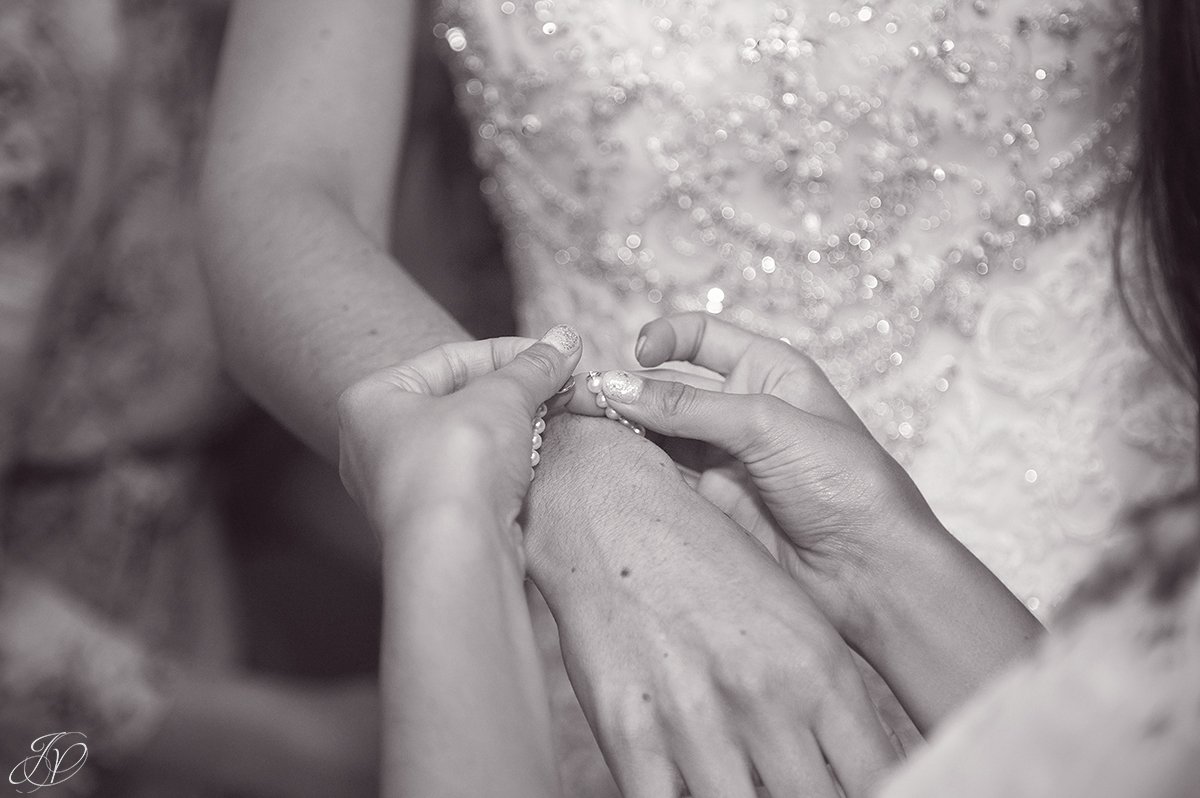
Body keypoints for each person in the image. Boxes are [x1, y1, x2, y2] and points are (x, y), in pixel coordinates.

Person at [199, 0, 1196, 792]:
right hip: (630, 609)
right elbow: (278, 190)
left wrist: (899, 573)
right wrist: (568, 476)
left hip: (1112, 548)